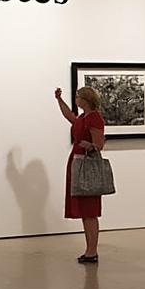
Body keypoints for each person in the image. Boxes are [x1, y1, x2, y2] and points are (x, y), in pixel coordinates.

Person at [56, 86, 107, 264]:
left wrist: (89, 146)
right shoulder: (83, 118)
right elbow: (70, 116)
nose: (76, 99)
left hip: (87, 166)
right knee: (86, 212)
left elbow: (99, 144)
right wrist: (59, 100)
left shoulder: (94, 118)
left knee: (90, 211)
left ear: (85, 99)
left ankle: (92, 251)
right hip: (78, 162)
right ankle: (89, 250)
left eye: (78, 96)